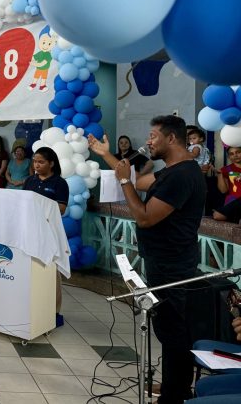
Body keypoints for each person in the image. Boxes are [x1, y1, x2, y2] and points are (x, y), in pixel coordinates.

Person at [89, 115, 206, 404]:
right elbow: (140, 181)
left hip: (173, 266)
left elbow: (144, 217)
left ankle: (174, 395)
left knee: (174, 333)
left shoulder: (181, 176)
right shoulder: (172, 171)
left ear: (171, 138)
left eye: (153, 136)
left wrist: (125, 180)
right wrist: (107, 155)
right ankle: (173, 386)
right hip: (164, 261)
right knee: (168, 331)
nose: (148, 142)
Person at [22, 146, 69, 326]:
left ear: (51, 163)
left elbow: (62, 209)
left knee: (50, 272)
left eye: (41, 162)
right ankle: (31, 306)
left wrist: (41, 207)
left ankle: (54, 311)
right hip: (30, 231)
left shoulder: (59, 183)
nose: (37, 165)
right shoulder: (29, 181)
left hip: (49, 233)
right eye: (35, 161)